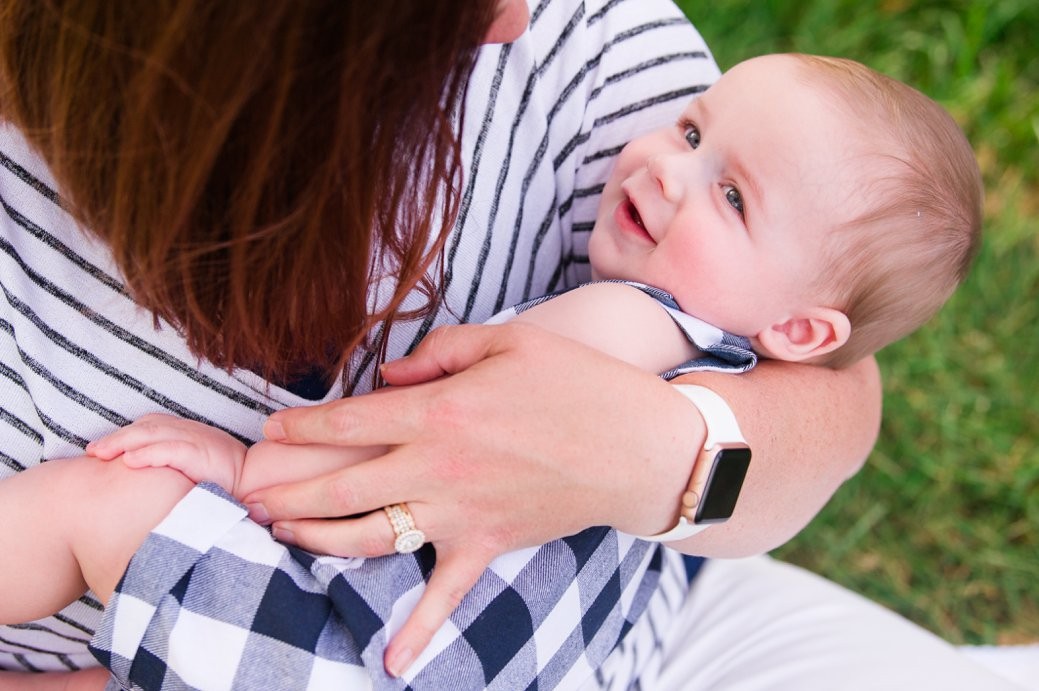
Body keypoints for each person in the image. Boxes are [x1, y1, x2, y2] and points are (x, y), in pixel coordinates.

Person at [0, 1, 1015, 689]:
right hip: (433, 649)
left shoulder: (635, 301)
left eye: (731, 193)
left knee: (97, 503)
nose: (666, 163)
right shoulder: (693, 302)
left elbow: (417, 434)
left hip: (489, 648)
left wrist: (667, 452)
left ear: (800, 326)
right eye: (693, 137)